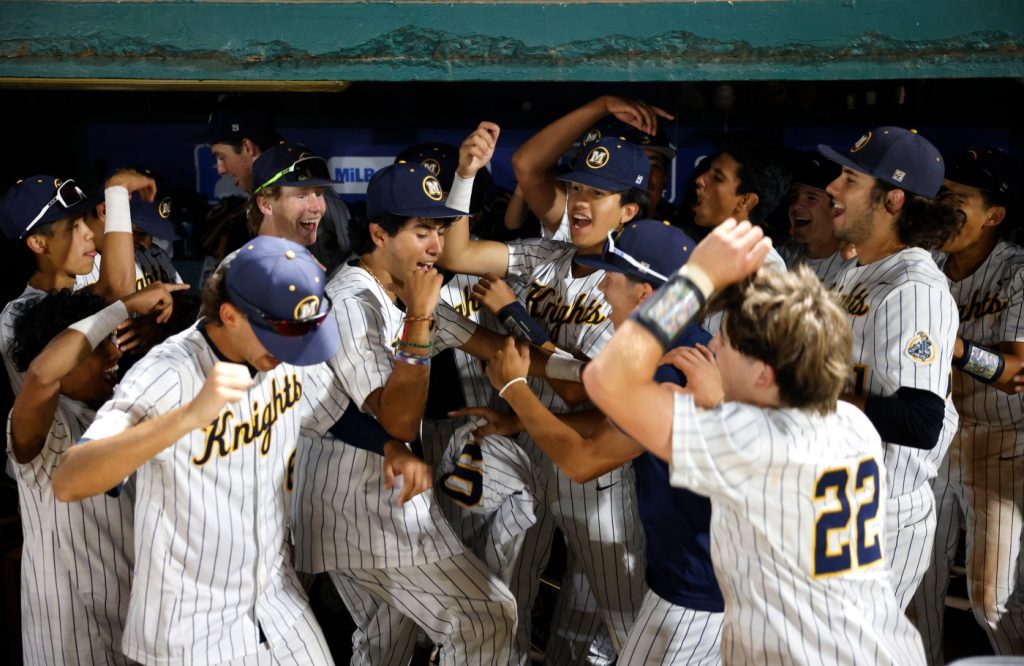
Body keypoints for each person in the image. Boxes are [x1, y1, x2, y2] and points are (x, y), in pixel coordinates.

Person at [582, 218, 927, 664]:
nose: (714, 348)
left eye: (726, 341)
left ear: (765, 373)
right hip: (874, 646)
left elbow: (607, 379)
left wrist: (695, 281)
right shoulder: (849, 422)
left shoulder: (750, 443)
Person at [293, 160, 580, 666]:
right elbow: (397, 423)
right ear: (379, 233)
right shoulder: (349, 302)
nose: (436, 246)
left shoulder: (406, 289)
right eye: (421, 231)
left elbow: (498, 349)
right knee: (485, 617)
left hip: (367, 501)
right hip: (359, 507)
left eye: (441, 231)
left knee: (388, 644)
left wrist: (592, 377)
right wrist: (422, 319)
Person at [51, 236, 339, 665]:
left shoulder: (282, 357)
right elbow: (69, 480)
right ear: (230, 315)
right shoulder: (167, 373)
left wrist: (392, 447)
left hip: (276, 600)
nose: (290, 352)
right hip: (192, 627)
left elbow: (333, 406)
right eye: (279, 338)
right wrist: (187, 417)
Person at [442, 109, 658, 662]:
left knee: (620, 620)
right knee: (508, 599)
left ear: (629, 211)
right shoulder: (547, 255)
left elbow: (586, 393)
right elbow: (457, 254)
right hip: (532, 451)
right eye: (577, 186)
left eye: (600, 193)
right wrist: (466, 174)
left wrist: (516, 318)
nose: (581, 202)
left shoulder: (635, 291)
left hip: (597, 473)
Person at [460, 218, 725, 665]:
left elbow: (583, 462)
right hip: (689, 579)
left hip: (702, 593)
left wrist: (515, 391)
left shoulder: (673, 370)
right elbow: (609, 422)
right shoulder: (681, 344)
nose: (601, 287)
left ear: (645, 294)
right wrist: (521, 422)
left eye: (613, 276)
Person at [819, 126, 963, 609]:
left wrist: (807, 389)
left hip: (881, 514)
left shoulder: (914, 288)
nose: (832, 188)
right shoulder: (855, 268)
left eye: (849, 179)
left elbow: (922, 421)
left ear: (894, 200)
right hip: (839, 496)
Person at [7, 281, 182, 665]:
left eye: (111, 341)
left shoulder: (119, 412)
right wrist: (125, 304)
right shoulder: (49, 426)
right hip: (72, 638)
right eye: (99, 345)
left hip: (136, 627)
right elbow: (41, 375)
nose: (114, 352)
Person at [909, 147, 1024, 662]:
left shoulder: (1017, 271)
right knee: (915, 592)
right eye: (940, 196)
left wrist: (952, 347)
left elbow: (1016, 373)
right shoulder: (922, 263)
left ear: (993, 215)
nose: (943, 208)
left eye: (958, 200)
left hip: (1001, 444)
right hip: (932, 438)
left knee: (992, 598)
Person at [0, 170, 154, 393]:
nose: (89, 233)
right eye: (74, 226)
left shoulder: (86, 277)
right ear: (39, 243)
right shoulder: (15, 317)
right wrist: (117, 190)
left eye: (84, 221)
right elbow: (116, 288)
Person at [198, 97, 353, 270]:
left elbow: (329, 283)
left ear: (247, 147)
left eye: (221, 156)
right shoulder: (264, 194)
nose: (220, 169)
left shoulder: (311, 202)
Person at [777, 151, 852, 287]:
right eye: (794, 196)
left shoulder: (853, 265)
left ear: (837, 209)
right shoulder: (781, 253)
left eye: (811, 198)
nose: (796, 206)